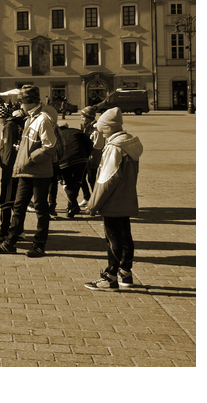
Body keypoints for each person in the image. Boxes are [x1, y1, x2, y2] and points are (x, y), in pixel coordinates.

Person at [0, 84, 58, 258]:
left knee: (41, 209)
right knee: (18, 206)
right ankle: (10, 242)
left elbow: (50, 146)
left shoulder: (42, 120)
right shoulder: (30, 118)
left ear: (28, 102)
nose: (19, 105)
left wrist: (31, 158)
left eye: (21, 102)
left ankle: (39, 244)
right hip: (25, 171)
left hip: (39, 172)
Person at [83, 108, 143, 290]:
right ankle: (125, 272)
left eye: (101, 129)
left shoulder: (114, 148)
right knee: (125, 235)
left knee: (113, 238)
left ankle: (110, 276)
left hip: (113, 200)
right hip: (126, 197)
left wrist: (93, 204)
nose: (99, 133)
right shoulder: (129, 144)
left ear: (107, 128)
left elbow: (106, 180)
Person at [0, 104, 24, 245]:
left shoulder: (9, 127)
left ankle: (4, 233)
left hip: (11, 170)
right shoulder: (18, 124)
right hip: (19, 168)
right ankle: (18, 231)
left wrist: (6, 172)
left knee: (6, 201)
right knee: (16, 202)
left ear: (3, 116)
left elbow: (8, 150)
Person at [56, 121, 93, 218]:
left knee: (67, 183)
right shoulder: (77, 131)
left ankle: (73, 205)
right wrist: (86, 155)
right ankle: (72, 207)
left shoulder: (56, 135)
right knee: (77, 182)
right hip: (81, 159)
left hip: (64, 161)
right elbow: (89, 144)